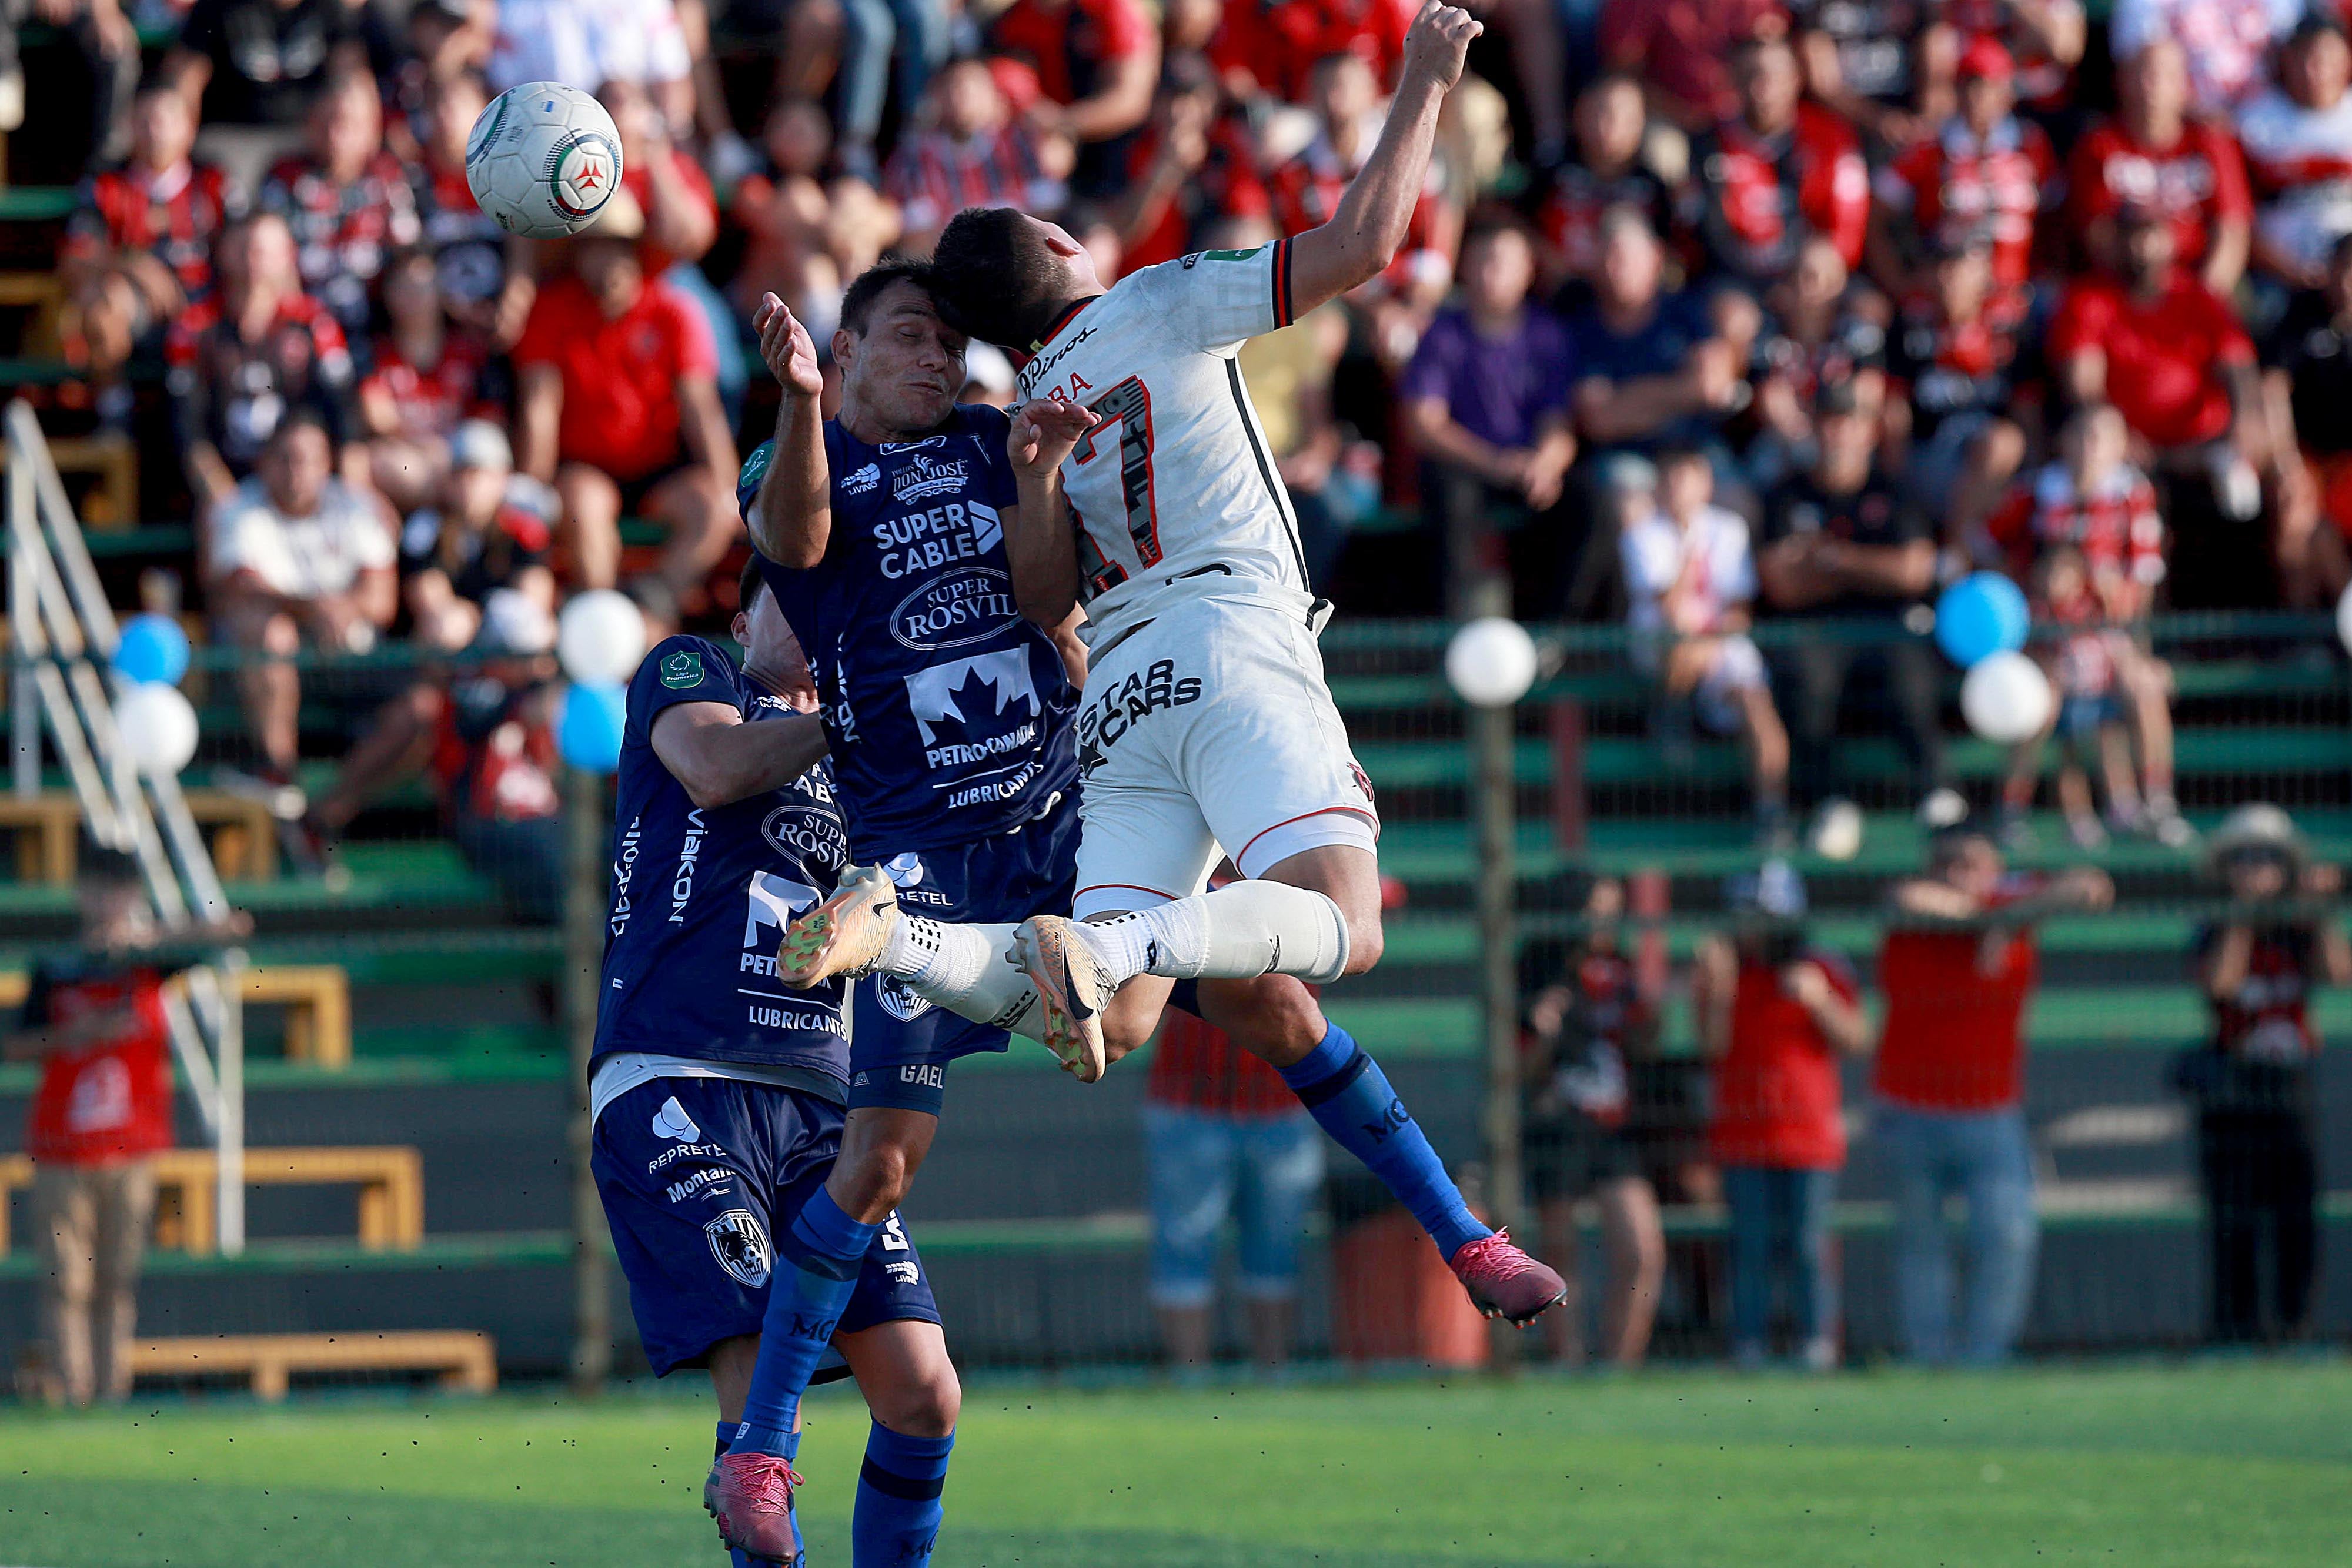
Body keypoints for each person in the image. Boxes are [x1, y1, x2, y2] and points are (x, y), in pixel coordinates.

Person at [722, 236, 1560, 1554]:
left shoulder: (999, 435)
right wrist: (799, 404)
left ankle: (1463, 1234)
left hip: (1059, 814)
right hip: (919, 834)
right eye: (905, 338)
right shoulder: (799, 451)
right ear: (841, 354)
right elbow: (794, 539)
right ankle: (763, 1450)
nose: (936, 358)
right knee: (880, 1162)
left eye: (950, 340)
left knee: (1267, 1003)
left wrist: (1044, 481)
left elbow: (1048, 592)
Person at [589, 561, 963, 1568]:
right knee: (753, 1352)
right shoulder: (691, 668)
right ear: (745, 610)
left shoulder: (882, 747)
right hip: (680, 1069)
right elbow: (714, 770)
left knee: (924, 1390)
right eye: (789, 601)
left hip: (822, 1093)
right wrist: (857, 713)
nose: (810, 623)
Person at [4, 844, 249, 1407]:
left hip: (133, 1144)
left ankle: (112, 1393)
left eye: (118, 892)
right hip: (63, 1146)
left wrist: (151, 938)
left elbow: (231, 929)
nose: (107, 902)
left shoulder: (149, 962)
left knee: (117, 1278)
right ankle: (73, 1388)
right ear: (79, 893)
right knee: (66, 1278)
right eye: (97, 889)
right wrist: (80, 1034)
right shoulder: (58, 967)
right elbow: (17, 1044)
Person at [1873, 822, 2113, 1365]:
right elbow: (1906, 896)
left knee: (2007, 1235)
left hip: (1991, 1110)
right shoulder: (1913, 909)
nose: (1961, 874)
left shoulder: (2017, 909)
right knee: (1922, 1246)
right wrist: (1995, 917)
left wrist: (2008, 911)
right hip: (1910, 1108)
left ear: (1996, 868)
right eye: (1949, 863)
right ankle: (1929, 1359)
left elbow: (2092, 885)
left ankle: (1985, 1358)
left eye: (1974, 862)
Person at [1755, 376, 1949, 858]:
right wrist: (1870, 568)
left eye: (1851, 423)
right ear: (1816, 429)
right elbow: (1781, 583)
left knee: (1911, 676)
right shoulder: (1787, 495)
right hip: (1815, 630)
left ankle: (1937, 793)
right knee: (1803, 678)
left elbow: (1913, 571)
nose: (1840, 434)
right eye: (1830, 422)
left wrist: (1834, 560)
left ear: (1869, 432)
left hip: (1888, 628)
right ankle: (1830, 801)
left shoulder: (1894, 491)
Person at [513, 192, 739, 594]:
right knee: (582, 505)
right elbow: (540, 406)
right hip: (586, 470)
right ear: (577, 256)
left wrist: (730, 490)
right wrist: (533, 491)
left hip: (661, 473)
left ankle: (656, 603)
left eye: (617, 247)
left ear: (637, 253)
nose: (606, 260)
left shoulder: (674, 312)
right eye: (593, 248)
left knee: (713, 508)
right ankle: (602, 617)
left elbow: (700, 406)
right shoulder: (550, 311)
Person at [2181, 804, 2350, 1343]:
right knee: (2233, 1216)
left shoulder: (2299, 924)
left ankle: (2294, 1326)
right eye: (2245, 859)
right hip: (2233, 1085)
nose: (2256, 868)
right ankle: (2233, 1328)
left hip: (2289, 1085)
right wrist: (2243, 914)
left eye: (2268, 859)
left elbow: (2339, 975)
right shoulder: (2213, 923)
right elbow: (2221, 985)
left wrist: (2319, 909)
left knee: (2296, 1214)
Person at [1986, 402, 2189, 845]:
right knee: (2042, 703)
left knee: (2143, 686)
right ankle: (2012, 810)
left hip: (2109, 634)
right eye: (2083, 435)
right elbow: (1990, 543)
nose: (2091, 448)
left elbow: (2144, 579)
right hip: (2044, 636)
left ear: (2121, 446)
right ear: (2065, 442)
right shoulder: (2036, 491)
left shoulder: (2133, 495)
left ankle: (2156, 802)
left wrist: (2135, 643)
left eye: (2103, 437)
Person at [1693, 861, 1867, 1370]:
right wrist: (1719, 990)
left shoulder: (1822, 967)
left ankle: (1816, 1343)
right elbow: (1711, 1049)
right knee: (1749, 1247)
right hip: (1743, 1135)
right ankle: (1749, 1345)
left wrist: (1820, 1001)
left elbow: (1857, 1038)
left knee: (1809, 1245)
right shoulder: (1723, 971)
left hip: (1808, 1135)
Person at [204, 410, 398, 787]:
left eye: (308, 459)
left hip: (350, 656)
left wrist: (341, 610)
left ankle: (323, 815)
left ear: (327, 464)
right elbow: (240, 587)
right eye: (286, 458)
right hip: (260, 664)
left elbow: (382, 600)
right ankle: (279, 773)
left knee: (419, 709)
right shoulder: (237, 509)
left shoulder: (355, 505)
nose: (297, 470)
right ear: (265, 462)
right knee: (270, 631)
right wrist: (315, 608)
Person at [1519, 877, 1666, 1367]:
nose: (1605, 922)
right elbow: (1518, 1069)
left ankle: (1621, 1365)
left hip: (1613, 1125)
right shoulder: (1535, 965)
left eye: (1613, 910)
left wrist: (1651, 1017)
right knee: (1560, 1249)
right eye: (1595, 909)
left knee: (1641, 1247)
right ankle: (1568, 1361)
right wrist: (1544, 1030)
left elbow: (1643, 1045)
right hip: (1556, 1122)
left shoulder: (1621, 970)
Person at [1400, 217, 1577, 606]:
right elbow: (1424, 425)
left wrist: (1545, 465)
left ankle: (1561, 636)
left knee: (1590, 504)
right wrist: (1496, 463)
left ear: (1528, 271)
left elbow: (1559, 421)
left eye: (1501, 263)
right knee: (1452, 494)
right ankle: (1463, 627)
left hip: (1529, 472)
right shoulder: (1442, 335)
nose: (1488, 274)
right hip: (1469, 469)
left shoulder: (1548, 336)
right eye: (1480, 261)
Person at [1143, 997, 1326, 1373]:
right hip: (1187, 1104)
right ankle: (1190, 1381)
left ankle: (1275, 1376)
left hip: (1281, 1105)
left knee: (1276, 1248)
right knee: (1184, 1242)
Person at [1619, 444, 1790, 842]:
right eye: (1672, 480)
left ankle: (1772, 810)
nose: (1680, 489)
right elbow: (1670, 606)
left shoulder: (1729, 529)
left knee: (1757, 704)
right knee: (1679, 635)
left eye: (1688, 479)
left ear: (1706, 484)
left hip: (1719, 643)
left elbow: (1739, 607)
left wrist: (1714, 641)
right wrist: (1687, 546)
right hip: (1661, 646)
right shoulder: (1642, 533)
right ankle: (1673, 708)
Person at [165, 211, 355, 517]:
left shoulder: (314, 322)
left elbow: (344, 413)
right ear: (224, 252)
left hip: (305, 481)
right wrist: (223, 499)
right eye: (246, 247)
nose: (255, 259)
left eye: (265, 249)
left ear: (288, 255)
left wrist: (351, 494)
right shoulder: (194, 327)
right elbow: (187, 426)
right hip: (227, 480)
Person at [2066, 38, 2253, 297]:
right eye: (2140, 74)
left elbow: (2231, 232)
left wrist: (2202, 298)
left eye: (2162, 76)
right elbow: (2098, 237)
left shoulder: (2212, 144)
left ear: (2183, 86)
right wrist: (2145, 297)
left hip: (2200, 284)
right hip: (2125, 286)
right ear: (2121, 82)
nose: (2149, 87)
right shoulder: (2099, 147)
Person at [1689, 34, 1871, 290]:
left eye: (1774, 76)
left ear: (1795, 80)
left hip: (1809, 277)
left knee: (1866, 310)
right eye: (1751, 75)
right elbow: (1702, 233)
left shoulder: (1832, 140)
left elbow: (1847, 229)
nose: (1763, 88)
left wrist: (1825, 260)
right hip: (1733, 281)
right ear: (1734, 82)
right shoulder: (1707, 146)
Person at [257, 67, 422, 340]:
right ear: (309, 124)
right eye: (327, 122)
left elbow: (408, 255)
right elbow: (270, 261)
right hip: (300, 328)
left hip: (376, 324)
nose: (336, 135)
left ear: (372, 131)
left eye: (348, 124)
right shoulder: (284, 178)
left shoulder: (389, 179)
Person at [2237, 14, 2352, 292]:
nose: (2318, 71)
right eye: (2308, 58)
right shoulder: (2252, 123)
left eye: (2328, 59)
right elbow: (2239, 217)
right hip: (2276, 278)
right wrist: (2289, 270)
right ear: (2287, 60)